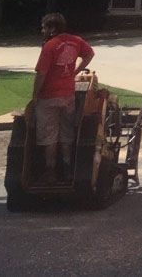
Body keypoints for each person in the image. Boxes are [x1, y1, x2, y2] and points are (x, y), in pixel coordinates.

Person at [31, 12, 94, 181]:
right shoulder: (75, 41)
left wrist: (35, 96)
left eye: (44, 27)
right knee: (66, 133)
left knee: (49, 135)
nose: (42, 30)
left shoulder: (50, 46)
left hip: (48, 96)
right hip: (68, 95)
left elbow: (42, 74)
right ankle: (67, 168)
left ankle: (50, 169)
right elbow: (90, 54)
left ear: (51, 28)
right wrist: (76, 71)